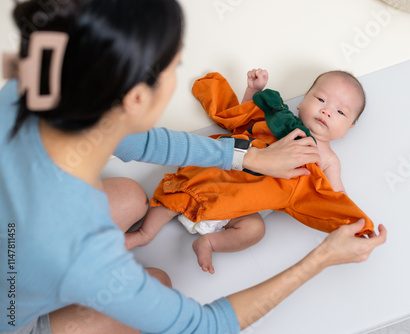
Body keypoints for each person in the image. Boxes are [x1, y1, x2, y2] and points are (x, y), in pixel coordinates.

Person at [0, 1, 386, 333]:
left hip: (18, 258)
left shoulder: (25, 91)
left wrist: (248, 156)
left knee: (132, 197)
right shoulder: (84, 254)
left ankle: (38, 291)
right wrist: (321, 257)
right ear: (136, 98)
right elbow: (204, 326)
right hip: (14, 308)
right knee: (160, 283)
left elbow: (141, 142)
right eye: (175, 66)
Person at [139, 68, 374, 274]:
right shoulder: (278, 119)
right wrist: (254, 91)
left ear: (348, 128)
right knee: (179, 193)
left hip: (246, 209)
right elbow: (245, 117)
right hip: (222, 179)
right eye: (321, 99)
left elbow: (335, 198)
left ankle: (210, 243)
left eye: (341, 112)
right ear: (302, 102)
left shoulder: (328, 159)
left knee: (255, 230)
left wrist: (355, 229)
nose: (327, 111)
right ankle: (145, 234)